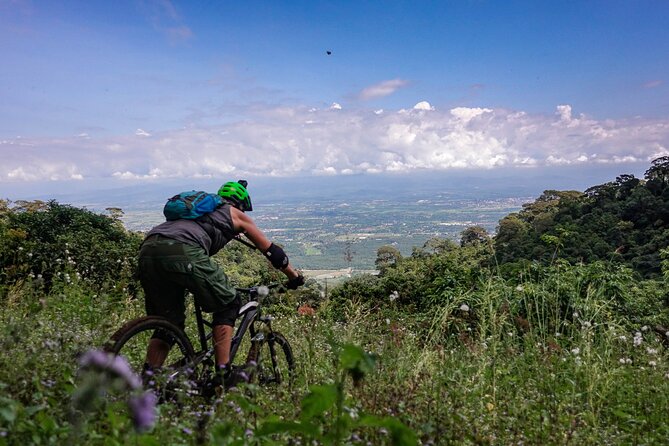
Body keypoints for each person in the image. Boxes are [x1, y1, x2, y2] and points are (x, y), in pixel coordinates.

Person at [137, 180, 304, 386]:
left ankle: (148, 381)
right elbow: (273, 253)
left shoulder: (196, 213)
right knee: (229, 303)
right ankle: (222, 375)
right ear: (241, 204)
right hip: (183, 251)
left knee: (169, 325)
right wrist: (293, 276)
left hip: (148, 249)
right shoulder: (235, 214)